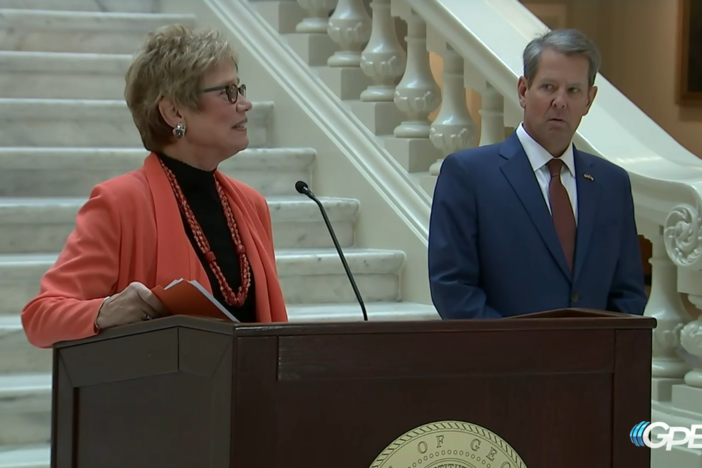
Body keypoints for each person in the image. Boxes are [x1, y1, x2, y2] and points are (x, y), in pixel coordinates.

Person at [22, 25, 288, 348]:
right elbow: (40, 317)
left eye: (240, 89)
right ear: (174, 111)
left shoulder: (251, 205)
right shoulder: (120, 203)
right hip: (164, 395)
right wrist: (106, 310)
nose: (245, 104)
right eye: (227, 92)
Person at [427, 28, 648, 319]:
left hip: (593, 361)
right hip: (507, 359)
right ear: (523, 91)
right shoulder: (469, 175)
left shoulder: (612, 183)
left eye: (573, 90)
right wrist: (522, 351)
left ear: (589, 100)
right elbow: (453, 288)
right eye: (548, 87)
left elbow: (628, 292)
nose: (560, 101)